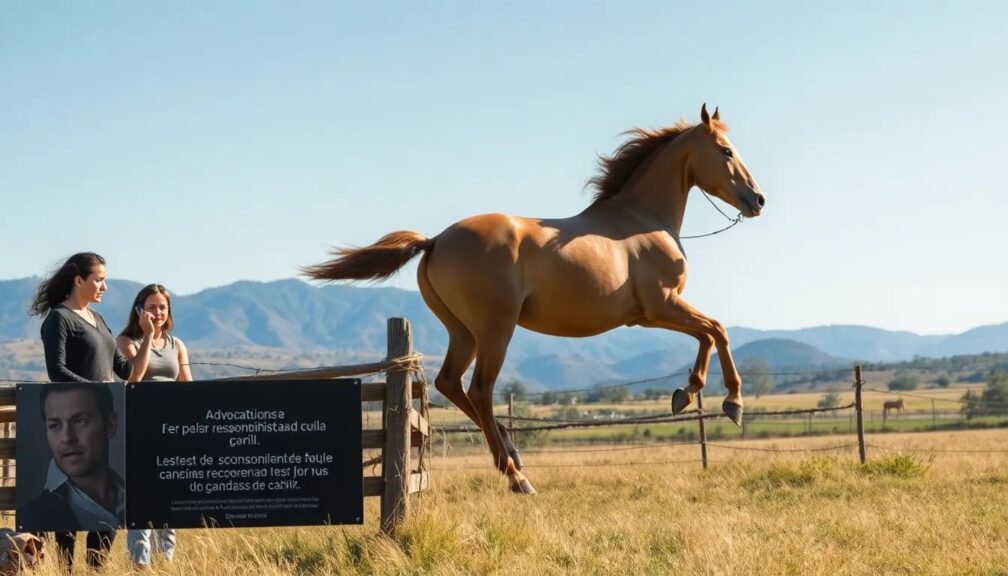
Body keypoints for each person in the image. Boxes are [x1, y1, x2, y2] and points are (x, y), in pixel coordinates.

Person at [28, 251, 150, 569]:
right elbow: (58, 372)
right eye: (99, 279)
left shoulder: (99, 320)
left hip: (101, 431)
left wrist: (148, 336)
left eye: (105, 280)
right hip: (76, 424)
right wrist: (98, 395)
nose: (105, 287)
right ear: (78, 280)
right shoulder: (59, 319)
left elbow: (128, 372)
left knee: (104, 518)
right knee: (66, 520)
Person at [117, 284, 191, 568]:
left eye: (162, 307)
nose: (158, 312)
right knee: (143, 495)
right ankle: (140, 562)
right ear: (139, 310)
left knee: (169, 495)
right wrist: (148, 335)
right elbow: (134, 376)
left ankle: (166, 561)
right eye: (151, 307)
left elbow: (187, 386)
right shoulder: (126, 342)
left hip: (172, 430)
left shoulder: (177, 345)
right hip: (140, 429)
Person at [17, 383, 125, 533]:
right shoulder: (31, 517)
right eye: (55, 425)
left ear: (110, 425)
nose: (67, 437)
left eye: (80, 421)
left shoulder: (132, 499)